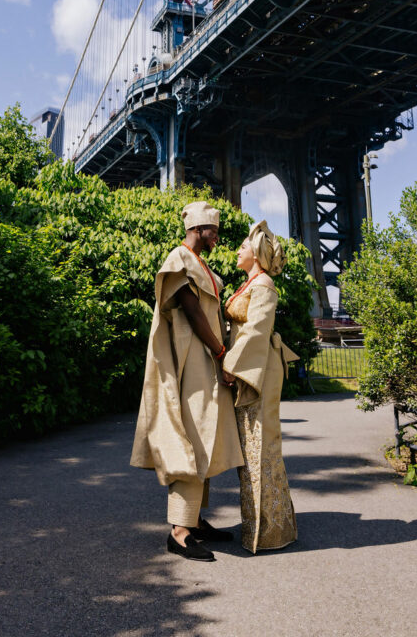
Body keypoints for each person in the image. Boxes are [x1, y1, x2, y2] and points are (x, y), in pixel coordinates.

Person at [131, 200, 243, 562]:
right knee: (192, 436)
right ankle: (179, 531)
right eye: (214, 230)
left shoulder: (198, 264)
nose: (218, 237)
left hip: (203, 357)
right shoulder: (178, 260)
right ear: (198, 228)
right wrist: (221, 350)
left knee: (205, 434)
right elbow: (194, 313)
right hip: (192, 358)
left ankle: (193, 520)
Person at [222, 220, 298, 555]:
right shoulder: (250, 282)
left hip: (260, 371)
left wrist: (229, 366)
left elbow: (256, 331)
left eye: (243, 245)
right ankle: (261, 526)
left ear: (257, 253)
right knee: (251, 449)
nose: (237, 249)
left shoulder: (264, 284)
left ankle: (271, 532)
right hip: (249, 367)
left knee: (262, 446)